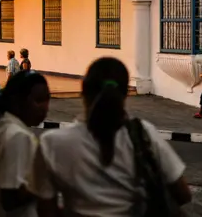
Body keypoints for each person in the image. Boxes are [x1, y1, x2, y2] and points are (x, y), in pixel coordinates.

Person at [30, 57, 192, 217]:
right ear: (124, 95)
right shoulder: (144, 133)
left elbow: (46, 209)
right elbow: (183, 194)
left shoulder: (52, 143)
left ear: (84, 91)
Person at [0, 70, 50, 217]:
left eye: (47, 100)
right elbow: (10, 197)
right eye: (38, 100)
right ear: (18, 101)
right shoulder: (18, 136)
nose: (44, 107)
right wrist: (47, 182)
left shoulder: (2, 127)